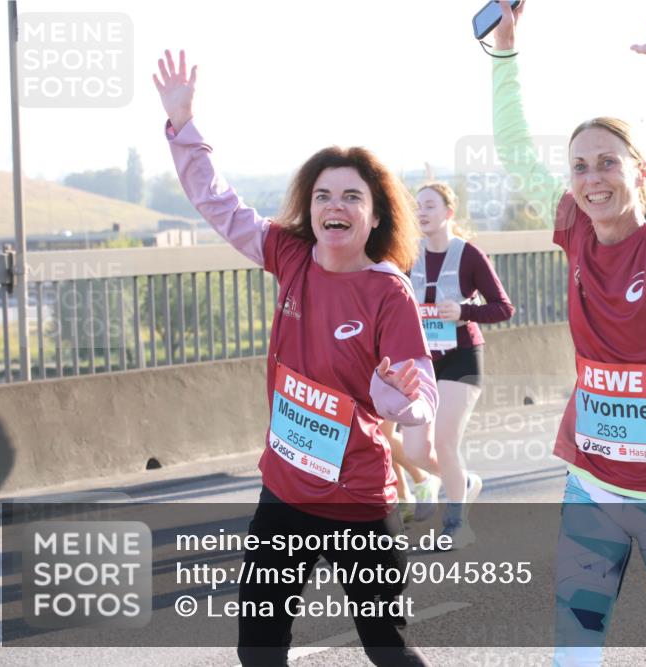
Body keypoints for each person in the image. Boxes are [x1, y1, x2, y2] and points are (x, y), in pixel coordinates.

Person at [153, 50, 438, 667]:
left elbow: (420, 397)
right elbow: (218, 203)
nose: (335, 205)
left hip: (357, 500)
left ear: (374, 213)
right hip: (283, 490)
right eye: (324, 194)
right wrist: (183, 126)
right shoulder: (288, 255)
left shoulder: (388, 289)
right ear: (310, 208)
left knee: (387, 648)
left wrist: (398, 397)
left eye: (351, 196)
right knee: (257, 648)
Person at [489, 2, 646, 665]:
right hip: (593, 483)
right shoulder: (575, 229)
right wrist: (505, 54)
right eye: (579, 167)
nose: (591, 178)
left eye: (607, 162)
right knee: (572, 655)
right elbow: (517, 152)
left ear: (640, 172)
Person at [401, 182, 515, 548]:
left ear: (449, 212)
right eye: (417, 206)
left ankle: (456, 525)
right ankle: (461, 483)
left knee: (444, 443)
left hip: (462, 359)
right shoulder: (407, 254)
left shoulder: (468, 255)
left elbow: (503, 307)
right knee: (417, 450)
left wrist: (464, 312)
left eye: (429, 206)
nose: (421, 212)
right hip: (422, 362)